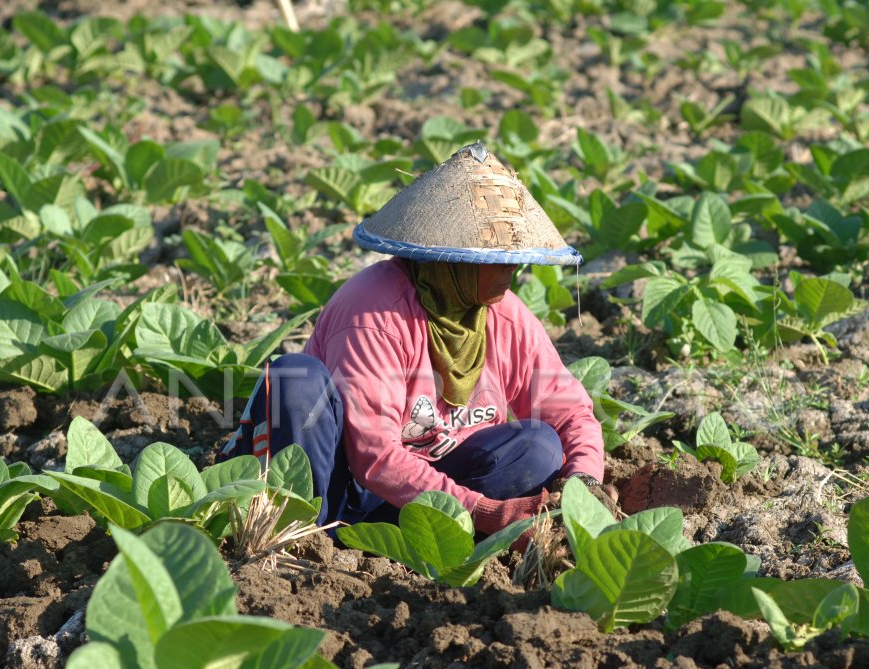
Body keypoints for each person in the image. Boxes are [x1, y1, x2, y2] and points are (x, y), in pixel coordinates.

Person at [220, 144, 613, 537]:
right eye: (497, 257)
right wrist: (480, 512)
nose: (513, 268)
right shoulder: (375, 312)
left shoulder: (503, 315)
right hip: (340, 486)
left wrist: (584, 482)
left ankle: (419, 536)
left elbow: (571, 413)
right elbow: (371, 454)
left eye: (514, 257)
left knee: (538, 447)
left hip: (418, 499)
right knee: (296, 381)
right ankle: (304, 534)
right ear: (453, 261)